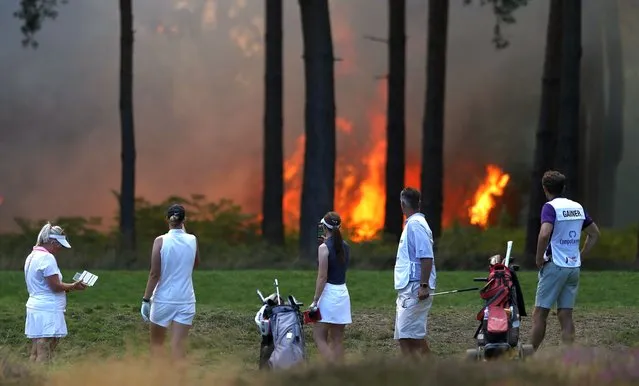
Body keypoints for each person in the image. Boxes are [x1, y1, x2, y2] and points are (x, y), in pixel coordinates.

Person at [531, 170, 600, 351]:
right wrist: (581, 255)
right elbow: (594, 234)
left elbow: (545, 233)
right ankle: (569, 358)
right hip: (573, 268)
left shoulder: (550, 207)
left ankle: (528, 356)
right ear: (563, 187)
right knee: (565, 314)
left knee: (540, 314)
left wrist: (539, 258)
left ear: (545, 189)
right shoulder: (577, 207)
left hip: (555, 265)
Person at [140, 204, 200, 361]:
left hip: (163, 301)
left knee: (157, 346)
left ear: (167, 219)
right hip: (186, 300)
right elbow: (195, 263)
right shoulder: (192, 239)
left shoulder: (160, 241)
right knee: (178, 348)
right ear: (184, 220)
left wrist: (146, 299)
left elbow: (154, 273)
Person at [24, 222, 87, 363]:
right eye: (59, 245)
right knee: (44, 348)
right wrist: (73, 286)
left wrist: (68, 288)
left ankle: (28, 378)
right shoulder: (47, 258)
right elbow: (55, 286)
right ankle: (41, 379)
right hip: (47, 308)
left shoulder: (32, 256)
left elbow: (46, 285)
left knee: (35, 349)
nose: (60, 249)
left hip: (35, 306)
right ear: (52, 242)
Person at [393, 187, 436, 357]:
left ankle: (427, 372)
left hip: (415, 287)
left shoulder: (416, 225)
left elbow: (426, 257)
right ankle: (414, 372)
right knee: (406, 335)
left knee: (409, 335)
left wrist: (423, 285)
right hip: (409, 288)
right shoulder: (413, 224)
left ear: (403, 204)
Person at [310, 211, 352, 363]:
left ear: (324, 227)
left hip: (329, 294)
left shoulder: (323, 248)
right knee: (337, 339)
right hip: (342, 293)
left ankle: (333, 367)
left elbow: (322, 277)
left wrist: (315, 301)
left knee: (319, 336)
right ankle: (340, 372)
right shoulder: (346, 246)